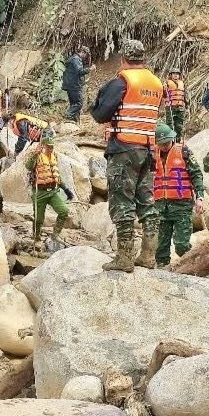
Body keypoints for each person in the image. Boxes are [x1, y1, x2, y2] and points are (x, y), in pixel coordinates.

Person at [89, 39, 163, 270]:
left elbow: (101, 114)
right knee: (147, 202)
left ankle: (124, 258)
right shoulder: (156, 83)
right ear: (142, 58)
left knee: (122, 202)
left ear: (123, 59)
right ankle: (149, 255)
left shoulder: (123, 81)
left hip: (124, 149)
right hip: (148, 149)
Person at [152, 124, 203, 267]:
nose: (164, 146)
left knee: (181, 245)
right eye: (161, 143)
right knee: (161, 246)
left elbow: (196, 175)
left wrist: (200, 197)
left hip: (182, 205)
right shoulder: (152, 154)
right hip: (161, 206)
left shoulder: (184, 152)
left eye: (167, 142)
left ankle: (195, 265)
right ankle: (162, 269)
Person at [25, 129, 73, 243]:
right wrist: (34, 155)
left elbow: (56, 175)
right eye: (48, 147)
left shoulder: (54, 156)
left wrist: (66, 189)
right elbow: (28, 166)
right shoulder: (36, 155)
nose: (50, 149)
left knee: (64, 211)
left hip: (52, 192)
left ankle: (55, 234)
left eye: (52, 147)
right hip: (39, 192)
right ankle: (36, 237)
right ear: (43, 146)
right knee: (38, 219)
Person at [62, 45, 89, 121]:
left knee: (74, 104)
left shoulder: (73, 59)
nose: (85, 57)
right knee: (79, 103)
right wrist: (90, 69)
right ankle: (67, 116)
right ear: (83, 52)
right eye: (86, 54)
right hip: (74, 86)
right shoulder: (76, 60)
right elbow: (80, 72)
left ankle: (74, 121)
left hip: (70, 86)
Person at [162, 67, 187, 134]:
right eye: (174, 74)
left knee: (179, 125)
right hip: (170, 107)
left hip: (180, 107)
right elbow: (163, 95)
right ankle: (170, 140)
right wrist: (164, 89)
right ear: (171, 75)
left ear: (179, 75)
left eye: (177, 74)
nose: (175, 75)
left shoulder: (182, 83)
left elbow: (184, 95)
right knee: (170, 124)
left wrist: (186, 105)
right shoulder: (167, 83)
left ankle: (178, 140)